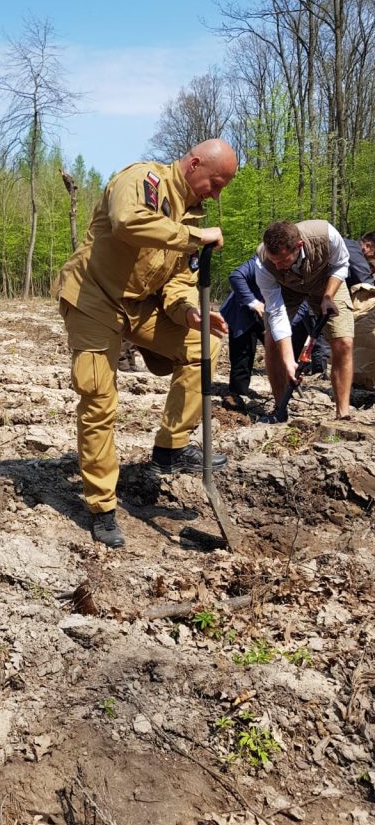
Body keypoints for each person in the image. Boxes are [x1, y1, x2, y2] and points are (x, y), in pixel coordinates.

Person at [54, 138, 238, 549]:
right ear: (193, 164)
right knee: (99, 397)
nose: (217, 192)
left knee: (204, 344)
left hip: (139, 306)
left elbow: (177, 283)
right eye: (216, 181)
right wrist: (193, 237)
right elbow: (126, 222)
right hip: (93, 297)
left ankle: (170, 448)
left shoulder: (191, 216)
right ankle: (101, 507)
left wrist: (189, 311)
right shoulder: (144, 180)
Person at [256, 219, 354, 421]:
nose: (278, 265)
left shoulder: (326, 235)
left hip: (326, 281)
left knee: (343, 342)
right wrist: (289, 361)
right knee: (272, 340)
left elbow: (341, 265)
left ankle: (343, 413)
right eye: (273, 261)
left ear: (299, 246)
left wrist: (328, 297)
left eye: (283, 260)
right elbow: (276, 313)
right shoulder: (263, 262)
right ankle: (280, 408)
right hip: (287, 290)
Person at [220, 256, 320, 410]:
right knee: (242, 354)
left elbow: (301, 307)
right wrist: (254, 303)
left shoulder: (300, 272)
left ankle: (284, 394)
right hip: (244, 311)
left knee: (282, 354)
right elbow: (236, 276)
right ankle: (237, 395)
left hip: (273, 315)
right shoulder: (263, 261)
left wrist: (283, 325)